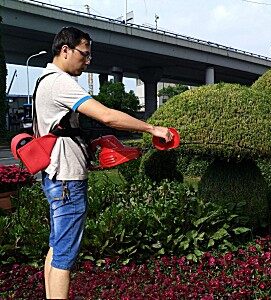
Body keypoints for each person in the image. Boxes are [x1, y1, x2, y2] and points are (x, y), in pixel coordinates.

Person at [34, 26, 173, 299]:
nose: (87, 62)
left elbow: (63, 130)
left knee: (56, 248)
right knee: (64, 257)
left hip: (54, 176)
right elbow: (107, 116)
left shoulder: (43, 79)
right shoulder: (60, 82)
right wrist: (151, 128)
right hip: (66, 181)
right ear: (65, 50)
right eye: (84, 55)